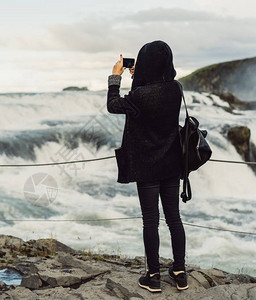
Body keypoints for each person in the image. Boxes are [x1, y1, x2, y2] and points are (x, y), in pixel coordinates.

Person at [107, 41, 188, 293]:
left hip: (147, 166)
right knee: (174, 218)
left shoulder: (140, 95)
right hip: (171, 162)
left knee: (150, 221)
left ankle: (153, 276)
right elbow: (148, 98)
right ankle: (180, 272)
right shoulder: (176, 89)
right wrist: (139, 78)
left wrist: (115, 76)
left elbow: (114, 105)